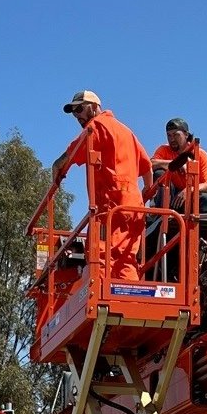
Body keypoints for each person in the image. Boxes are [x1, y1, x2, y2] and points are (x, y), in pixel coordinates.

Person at [54, 91, 152, 281]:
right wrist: (146, 191)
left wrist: (57, 167)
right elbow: (146, 167)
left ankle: (100, 304)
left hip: (110, 206)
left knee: (100, 255)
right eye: (74, 112)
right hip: (134, 206)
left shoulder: (96, 126)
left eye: (80, 108)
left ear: (95, 106)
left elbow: (70, 156)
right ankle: (130, 306)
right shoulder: (126, 131)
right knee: (126, 259)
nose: (78, 116)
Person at [149, 118, 207, 209]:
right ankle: (162, 216)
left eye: (176, 135)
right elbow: (150, 164)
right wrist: (175, 164)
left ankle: (200, 223)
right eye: (169, 135)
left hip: (190, 196)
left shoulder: (200, 154)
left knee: (206, 199)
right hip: (171, 196)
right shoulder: (163, 150)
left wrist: (188, 190)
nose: (172, 139)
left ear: (186, 134)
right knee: (159, 173)